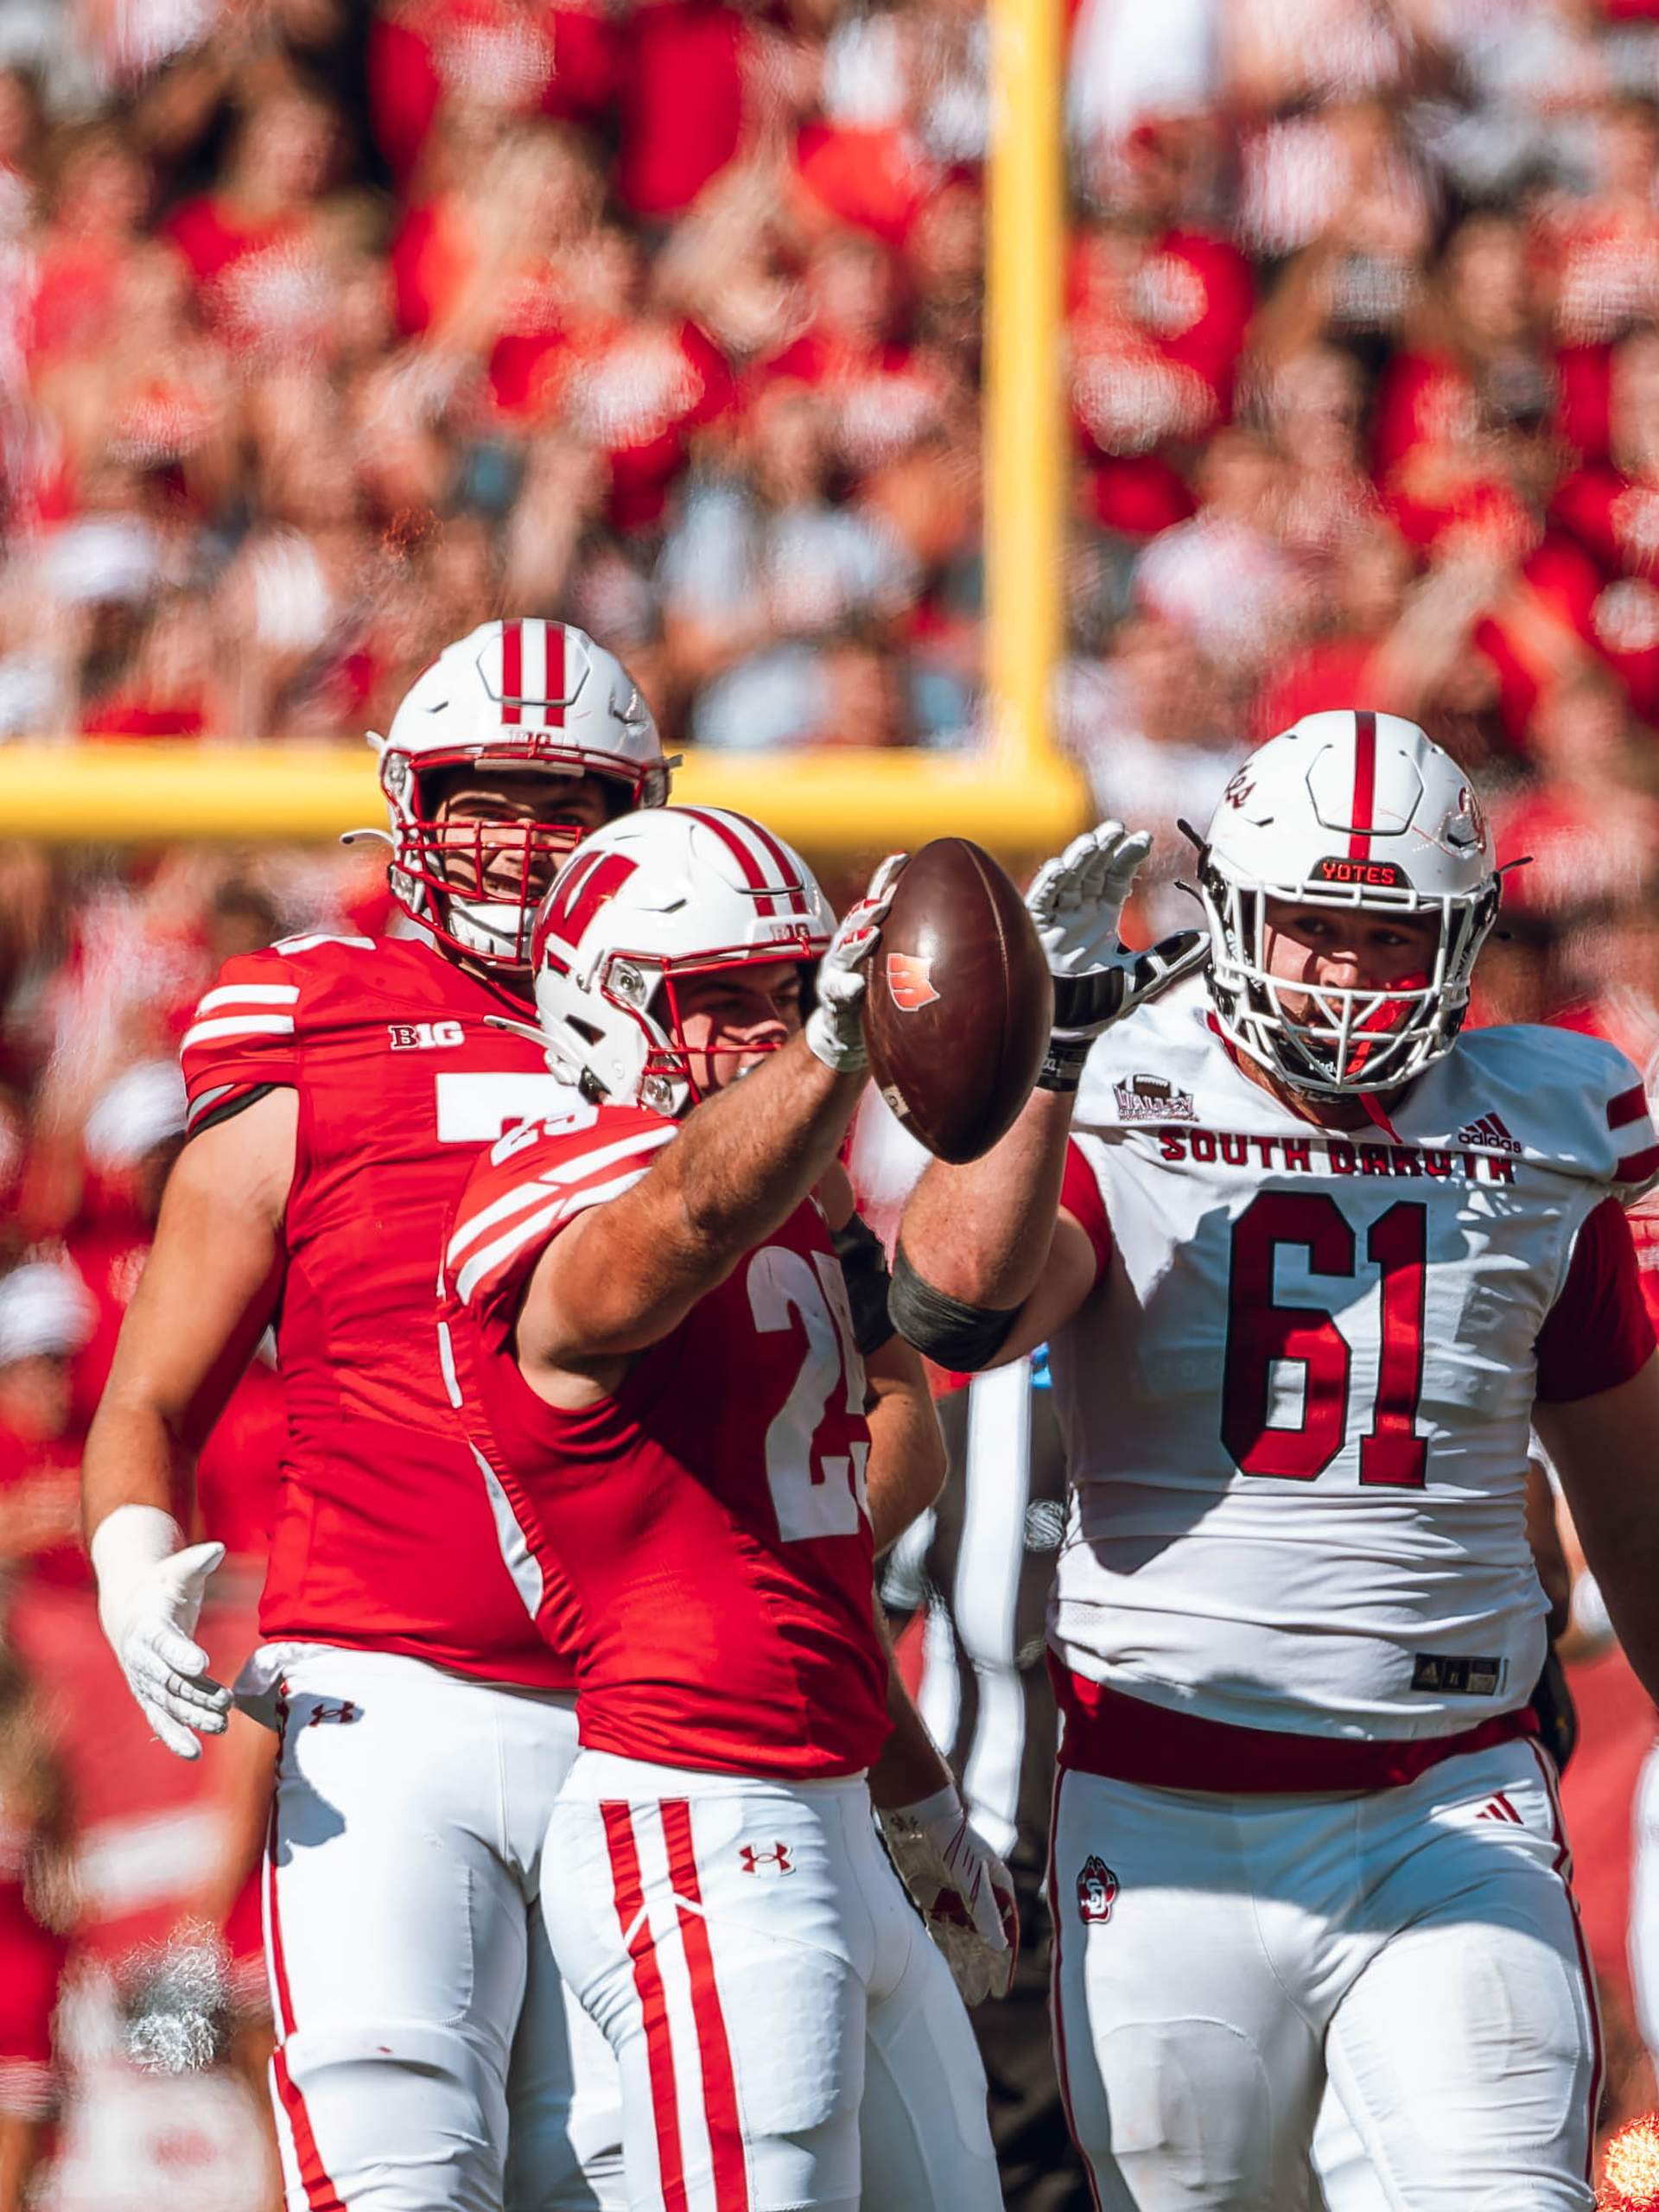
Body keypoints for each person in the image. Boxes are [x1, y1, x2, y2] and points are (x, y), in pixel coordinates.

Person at [892, 707, 1659, 2210]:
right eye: (1313, 927)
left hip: (1455, 1803)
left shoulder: (1554, 1112)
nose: (1349, 974)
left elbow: (1635, 1497)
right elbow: (958, 1308)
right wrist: (1038, 1060)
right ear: (1232, 911)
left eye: (1393, 936)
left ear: (1468, 932)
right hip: (1168, 1808)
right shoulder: (1116, 1075)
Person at [81, 618, 673, 2212]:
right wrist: (139, 1556)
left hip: (661, 1716)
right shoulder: (309, 1014)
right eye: (491, 798)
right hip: (389, 1702)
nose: (529, 842)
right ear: (411, 803)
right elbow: (150, 1391)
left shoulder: (717, 1026)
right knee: (398, 2178)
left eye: (572, 804)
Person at [439, 805, 1009, 2210]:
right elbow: (679, 1223)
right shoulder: (542, 1189)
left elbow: (833, 1516)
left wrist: (920, 1795)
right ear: (605, 1006)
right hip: (690, 1816)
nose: (770, 1031)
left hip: (824, 1801)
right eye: (728, 1002)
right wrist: (825, 1047)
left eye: (788, 992)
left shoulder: (801, 1204)